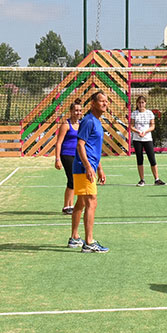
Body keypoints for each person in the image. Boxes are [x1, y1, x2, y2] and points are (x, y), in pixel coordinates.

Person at [70, 91, 109, 253]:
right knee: (91, 202)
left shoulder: (97, 121)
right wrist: (88, 166)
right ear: (93, 103)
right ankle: (89, 242)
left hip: (90, 166)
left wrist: (99, 168)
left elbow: (93, 148)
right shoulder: (88, 121)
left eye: (106, 101)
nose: (105, 104)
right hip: (83, 168)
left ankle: (74, 238)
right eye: (102, 101)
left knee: (80, 202)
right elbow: (80, 145)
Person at [52, 100, 82, 215]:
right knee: (71, 179)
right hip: (66, 154)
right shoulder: (66, 124)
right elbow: (58, 142)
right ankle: (66, 206)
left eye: (79, 110)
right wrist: (57, 159)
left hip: (77, 155)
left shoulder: (81, 124)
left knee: (75, 180)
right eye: (75, 110)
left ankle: (71, 205)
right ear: (71, 111)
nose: (78, 113)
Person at [130, 95, 164, 186]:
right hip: (137, 139)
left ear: (145, 103)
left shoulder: (149, 113)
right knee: (140, 159)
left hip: (147, 138)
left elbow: (152, 126)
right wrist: (138, 132)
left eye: (142, 102)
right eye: (139, 102)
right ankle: (142, 180)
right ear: (137, 104)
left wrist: (145, 132)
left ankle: (157, 179)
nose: (141, 104)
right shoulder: (134, 113)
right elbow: (131, 126)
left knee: (152, 159)